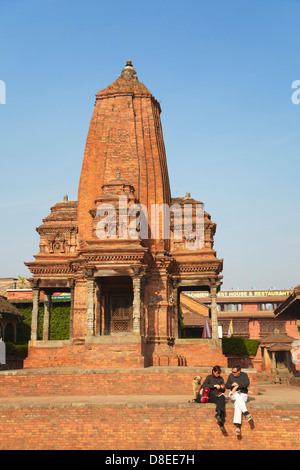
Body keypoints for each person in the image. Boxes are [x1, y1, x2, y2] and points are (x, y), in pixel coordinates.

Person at [225, 364, 252, 435]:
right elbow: (226, 385)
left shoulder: (244, 375)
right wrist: (232, 385)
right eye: (232, 371)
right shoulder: (231, 376)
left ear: (239, 371)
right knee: (236, 395)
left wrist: (237, 386)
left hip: (243, 394)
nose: (233, 373)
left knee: (237, 405)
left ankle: (238, 426)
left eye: (234, 372)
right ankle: (246, 412)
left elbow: (246, 384)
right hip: (233, 394)